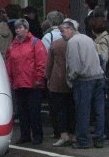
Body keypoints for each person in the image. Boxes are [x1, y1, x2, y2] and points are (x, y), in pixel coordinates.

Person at [59, 18, 105, 149]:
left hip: (84, 80)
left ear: (70, 29)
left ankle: (83, 141)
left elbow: (74, 66)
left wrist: (70, 79)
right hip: (98, 76)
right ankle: (99, 139)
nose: (61, 34)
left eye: (62, 31)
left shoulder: (73, 42)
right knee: (99, 110)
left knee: (83, 111)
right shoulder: (88, 38)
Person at [5, 18, 48, 144]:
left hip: (33, 83)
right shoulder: (13, 45)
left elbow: (41, 62)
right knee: (22, 112)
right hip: (19, 83)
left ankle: (37, 135)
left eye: (20, 28)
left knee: (34, 111)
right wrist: (10, 79)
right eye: (16, 28)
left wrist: (39, 78)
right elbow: (9, 63)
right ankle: (25, 135)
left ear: (26, 29)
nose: (18, 30)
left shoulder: (36, 43)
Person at [46, 31, 75, 146]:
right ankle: (73, 134)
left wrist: (47, 77)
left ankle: (63, 135)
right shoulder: (76, 42)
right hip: (73, 80)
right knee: (72, 109)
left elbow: (49, 63)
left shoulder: (55, 44)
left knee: (60, 109)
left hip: (57, 80)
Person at [91, 10, 109, 141]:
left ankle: (104, 131)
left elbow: (103, 58)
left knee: (104, 105)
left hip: (104, 75)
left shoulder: (102, 40)